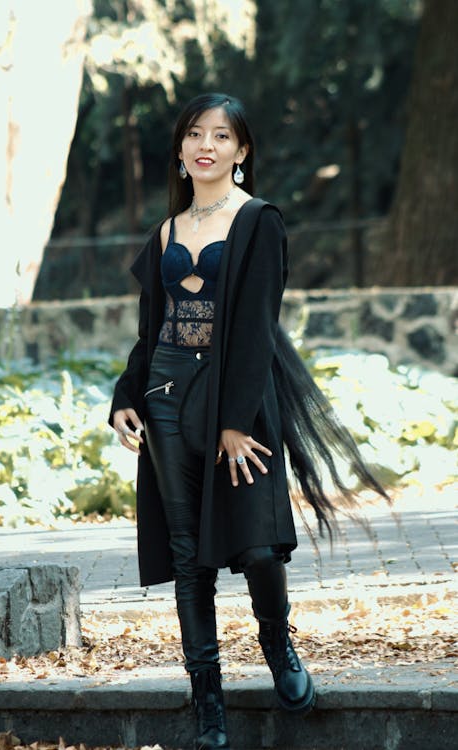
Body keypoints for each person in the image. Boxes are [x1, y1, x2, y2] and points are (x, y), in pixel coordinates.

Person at [109, 93, 386, 750]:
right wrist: (126, 394)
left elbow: (258, 327)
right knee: (188, 560)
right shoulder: (165, 233)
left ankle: (278, 645)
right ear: (180, 151)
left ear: (242, 150)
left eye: (222, 136)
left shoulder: (259, 221)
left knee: (258, 545)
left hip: (238, 402)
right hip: (167, 396)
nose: (207, 145)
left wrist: (236, 420)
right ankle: (208, 704)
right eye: (195, 135)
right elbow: (152, 331)